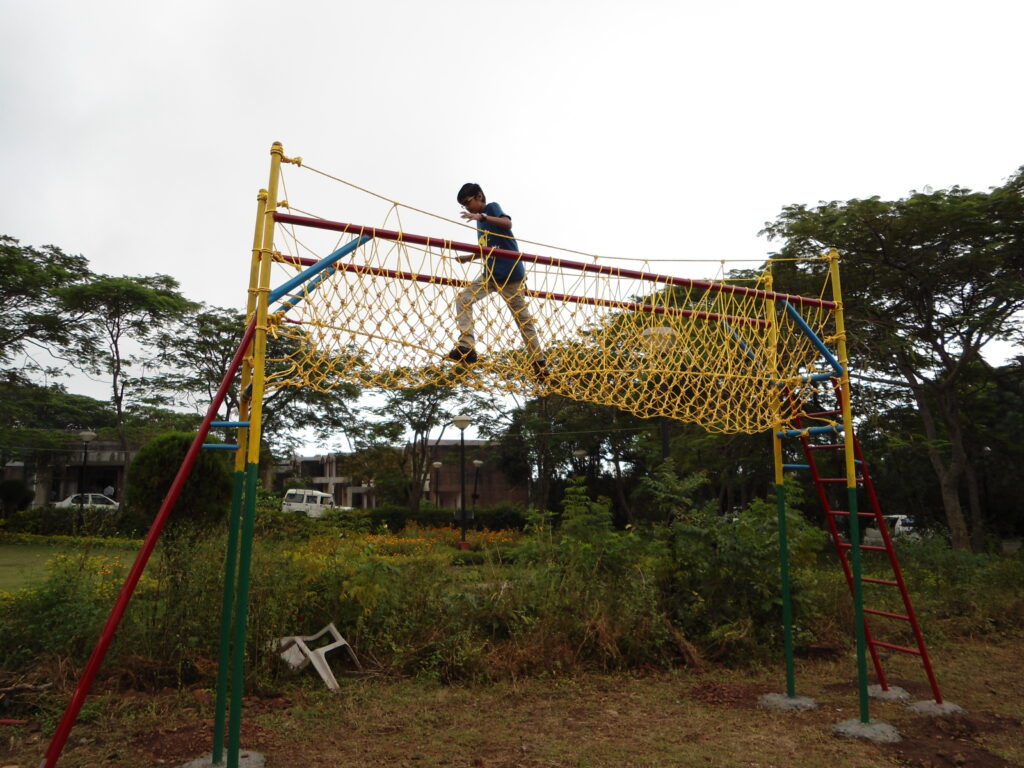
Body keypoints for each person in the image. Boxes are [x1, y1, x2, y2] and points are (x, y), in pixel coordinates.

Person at [448, 182, 546, 378]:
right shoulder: (479, 222)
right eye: (464, 206)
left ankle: (539, 362)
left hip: (510, 276)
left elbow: (507, 223)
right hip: (490, 275)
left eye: (468, 203)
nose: (467, 208)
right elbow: (488, 247)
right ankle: (467, 346)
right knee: (463, 299)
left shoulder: (491, 208)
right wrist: (470, 257)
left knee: (523, 320)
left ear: (479, 196)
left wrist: (482, 216)